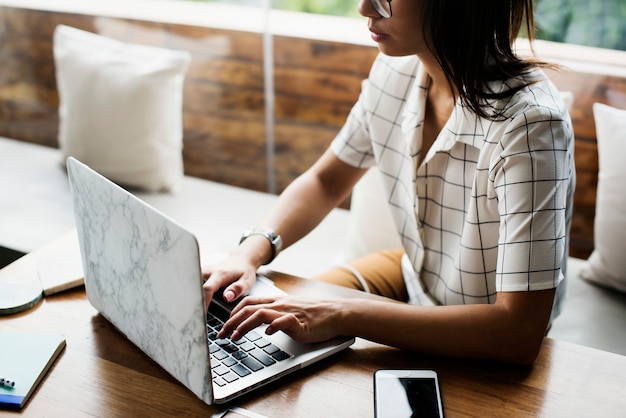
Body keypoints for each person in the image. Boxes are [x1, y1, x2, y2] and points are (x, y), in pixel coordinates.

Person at [202, 0, 575, 365]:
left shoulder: (531, 127)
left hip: (481, 325)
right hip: (412, 275)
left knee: (302, 327)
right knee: (269, 331)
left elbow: (518, 332)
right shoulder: (395, 71)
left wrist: (344, 314)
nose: (365, 8)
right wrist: (248, 253)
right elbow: (326, 181)